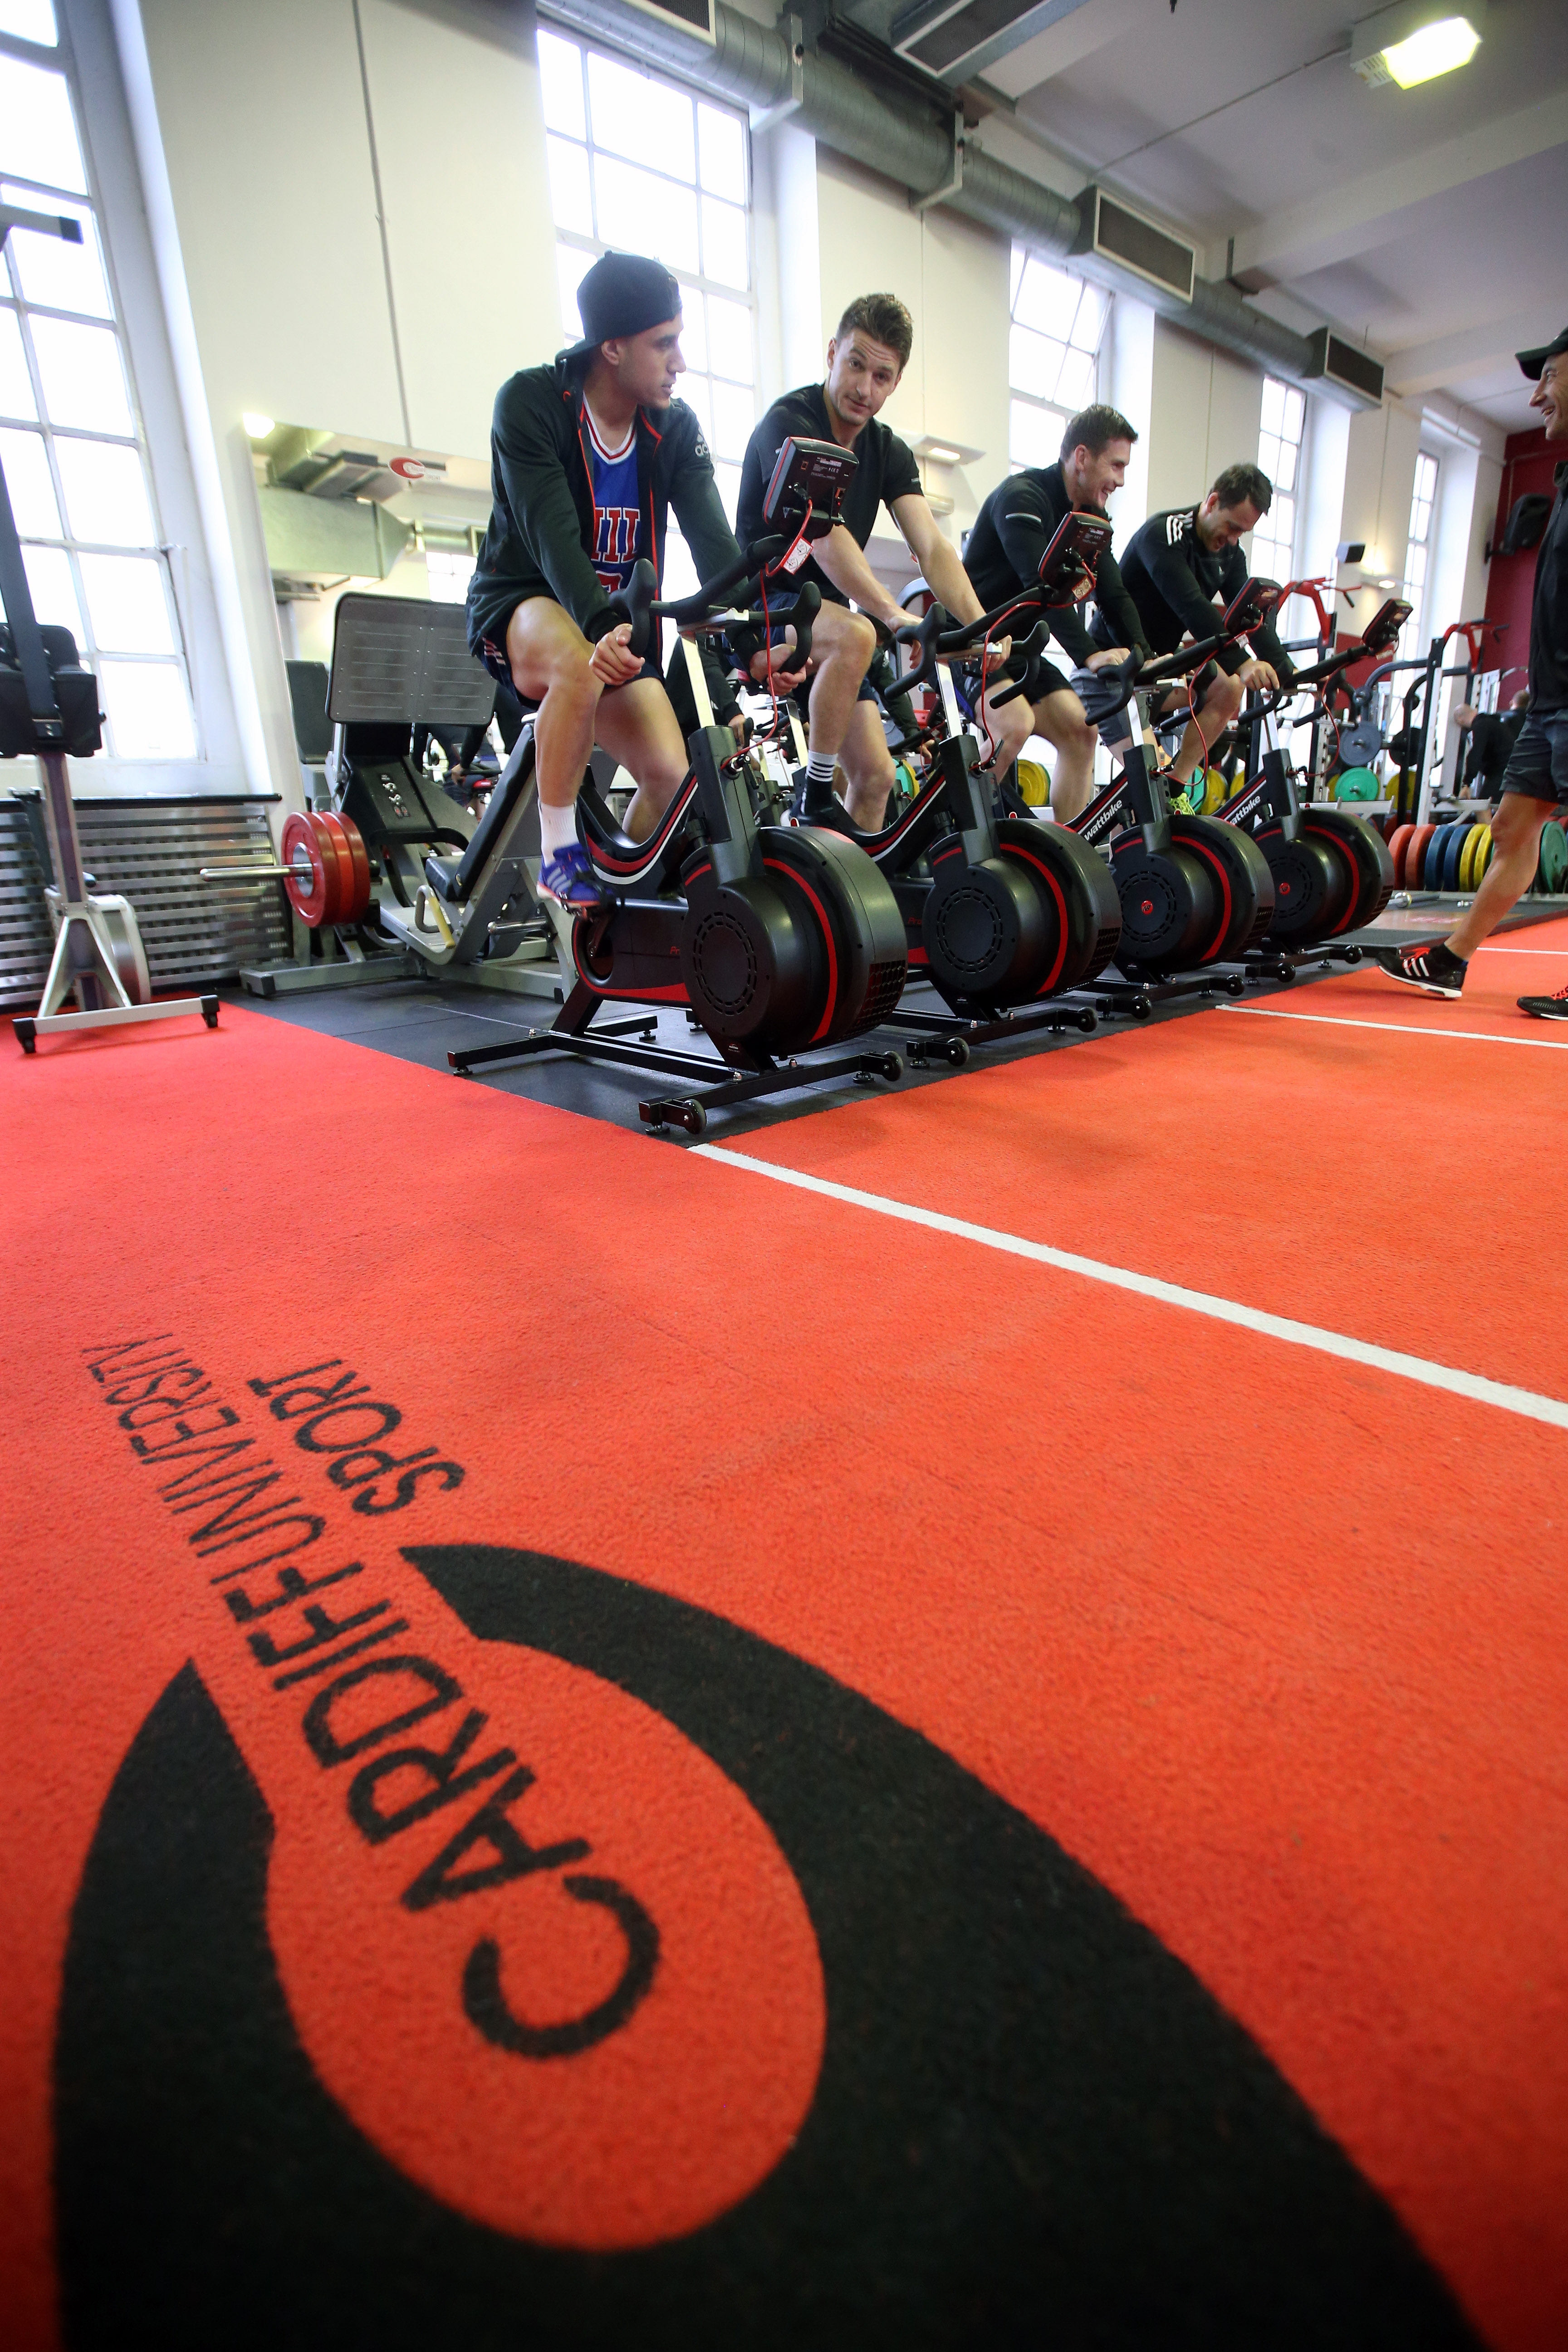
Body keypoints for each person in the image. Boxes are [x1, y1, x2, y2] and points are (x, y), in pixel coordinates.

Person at [465, 250, 798, 907]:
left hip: (615, 624)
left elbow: (716, 553)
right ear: (612, 347)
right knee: (579, 662)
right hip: (525, 605)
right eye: (664, 344)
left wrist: (757, 643)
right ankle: (558, 854)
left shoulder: (673, 428)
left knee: (672, 780)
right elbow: (552, 538)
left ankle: (616, 898)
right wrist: (598, 627)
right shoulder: (531, 404)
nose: (680, 362)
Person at [735, 293, 1006, 830]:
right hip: (760, 605)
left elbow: (931, 547)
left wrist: (984, 626)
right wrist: (891, 613)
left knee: (879, 776)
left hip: (824, 617)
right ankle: (811, 798)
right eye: (856, 365)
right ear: (832, 353)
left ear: (896, 382)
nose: (864, 388)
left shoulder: (887, 451)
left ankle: (839, 900)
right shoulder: (790, 421)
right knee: (860, 633)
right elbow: (822, 534)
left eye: (882, 376)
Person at [1378, 328, 1568, 1011]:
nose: (1538, 394)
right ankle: (1453, 959)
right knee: (1514, 831)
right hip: (1547, 703)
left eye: (1550, 376)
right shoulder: (1565, 474)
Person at [962, 403, 1150, 821]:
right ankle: (967, 835)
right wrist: (1089, 654)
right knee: (1015, 724)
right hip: (974, 643)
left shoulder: (1090, 520)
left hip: (1023, 650)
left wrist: (1145, 654)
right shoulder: (1022, 497)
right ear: (1081, 457)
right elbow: (1042, 587)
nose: (1120, 481)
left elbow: (1114, 593)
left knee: (1082, 731)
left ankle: (1068, 855)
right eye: (1116, 466)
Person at [1106, 463, 1296, 789]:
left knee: (1231, 686)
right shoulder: (1165, 533)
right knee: (1147, 784)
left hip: (1162, 669)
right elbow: (1192, 606)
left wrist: (1287, 673)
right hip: (1117, 664)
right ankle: (1153, 799)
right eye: (1231, 527)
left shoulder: (1231, 553)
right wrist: (1245, 663)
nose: (1233, 539)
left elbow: (1249, 617)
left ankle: (1177, 785)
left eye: (1242, 533)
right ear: (1211, 503)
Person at [1452, 687, 1528, 800]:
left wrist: (1467, 783)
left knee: (1482, 806)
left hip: (1504, 770)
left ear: (1461, 720)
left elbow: (1476, 754)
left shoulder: (1480, 727)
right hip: (1514, 768)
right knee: (1491, 805)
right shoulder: (1493, 721)